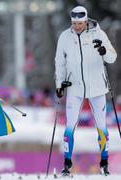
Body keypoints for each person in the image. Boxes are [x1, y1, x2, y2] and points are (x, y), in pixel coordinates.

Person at [55, 6, 117, 176]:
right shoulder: (65, 37)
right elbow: (59, 62)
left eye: (80, 23)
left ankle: (104, 163)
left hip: (97, 88)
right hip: (74, 88)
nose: (77, 27)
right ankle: (67, 164)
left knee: (101, 126)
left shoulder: (98, 33)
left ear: (86, 21)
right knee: (69, 126)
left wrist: (104, 51)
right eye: (74, 23)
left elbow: (112, 57)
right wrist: (59, 84)